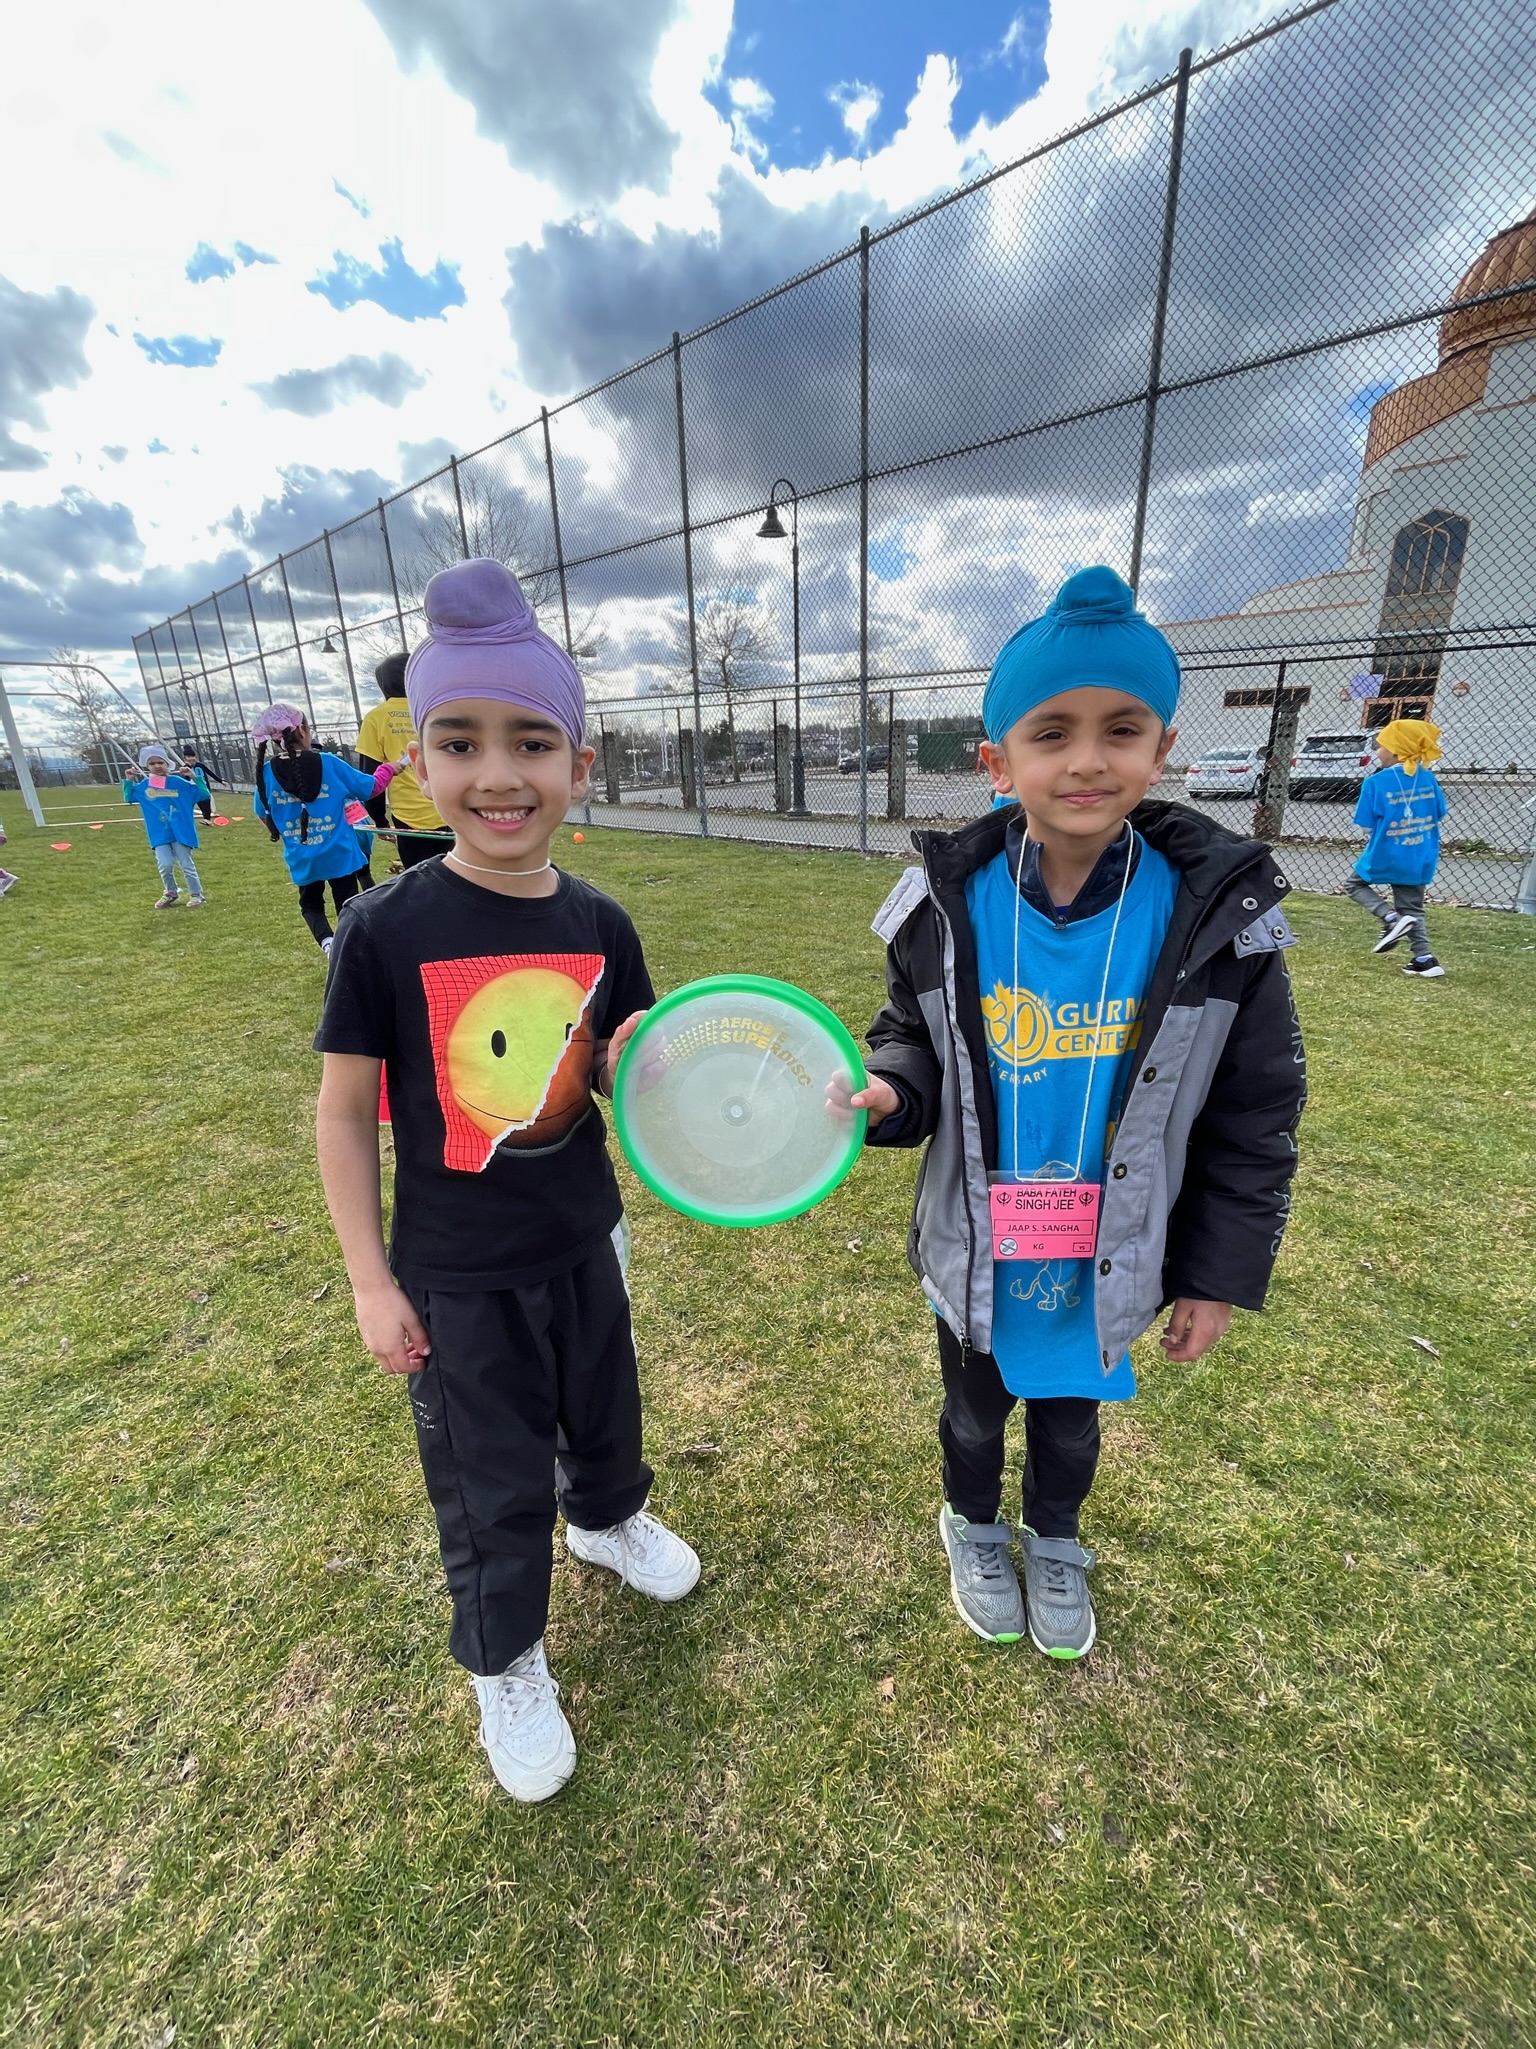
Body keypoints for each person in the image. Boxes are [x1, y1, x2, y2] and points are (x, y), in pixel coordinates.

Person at [845, 567, 1306, 1661]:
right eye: (1052, 732)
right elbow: (910, 1038)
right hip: (980, 1244)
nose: (1088, 759)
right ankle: (972, 1523)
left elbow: (1255, 1116)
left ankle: (1055, 1537)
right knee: (974, 1411)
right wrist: (890, 1091)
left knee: (1070, 1416)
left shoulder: (1216, 922)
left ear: (1164, 749)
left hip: (1109, 1248)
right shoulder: (943, 909)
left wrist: (1214, 1274)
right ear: (998, 762)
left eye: (1121, 729)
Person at [314, 558, 698, 1804]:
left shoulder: (601, 922)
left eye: (532, 742)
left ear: (578, 767)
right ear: (417, 767)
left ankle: (607, 1520)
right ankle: (507, 1658)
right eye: (460, 742)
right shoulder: (383, 930)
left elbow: (622, 1069)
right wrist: (370, 1282)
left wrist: (663, 1070)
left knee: (604, 1403)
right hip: (457, 1273)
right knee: (489, 1472)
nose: (498, 774)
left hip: (585, 1235)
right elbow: (344, 1113)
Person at [250, 704, 398, 954]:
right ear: (303, 730)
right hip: (339, 853)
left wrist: (288, 832)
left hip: (302, 857)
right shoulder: (329, 763)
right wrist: (389, 768)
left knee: (311, 905)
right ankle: (349, 949)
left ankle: (328, 943)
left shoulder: (265, 774)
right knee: (348, 905)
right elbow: (371, 788)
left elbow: (263, 814)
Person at [1344, 719, 1448, 978]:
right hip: (1420, 854)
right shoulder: (1427, 778)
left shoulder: (1376, 782)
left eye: (1381, 747)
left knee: (1354, 885)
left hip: (1387, 852)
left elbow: (1366, 824)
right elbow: (1439, 812)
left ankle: (1390, 919)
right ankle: (1425, 960)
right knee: (1412, 908)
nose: (1378, 752)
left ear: (1395, 750)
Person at [356, 650, 449, 867]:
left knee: (418, 879)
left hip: (409, 816)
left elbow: (370, 778)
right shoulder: (436, 710)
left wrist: (379, 818)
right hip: (447, 809)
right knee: (452, 877)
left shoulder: (376, 718)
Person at [123, 741, 209, 908]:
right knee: (165, 864)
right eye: (152, 763)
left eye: (160, 762)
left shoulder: (179, 783)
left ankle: (197, 894)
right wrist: (128, 780)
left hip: (181, 831)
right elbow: (128, 798)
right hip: (159, 833)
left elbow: (203, 794)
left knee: (186, 864)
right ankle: (171, 892)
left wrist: (194, 777)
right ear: (147, 766)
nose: (157, 766)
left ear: (167, 763)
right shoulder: (145, 786)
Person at [179, 743, 223, 822]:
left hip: (204, 786)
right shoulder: (186, 767)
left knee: (206, 802)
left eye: (192, 756)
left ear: (195, 757)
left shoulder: (201, 765)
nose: (191, 758)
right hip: (195, 788)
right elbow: (185, 779)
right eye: (188, 757)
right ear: (185, 758)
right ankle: (206, 818)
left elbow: (210, 773)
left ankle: (207, 819)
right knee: (200, 803)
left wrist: (221, 781)